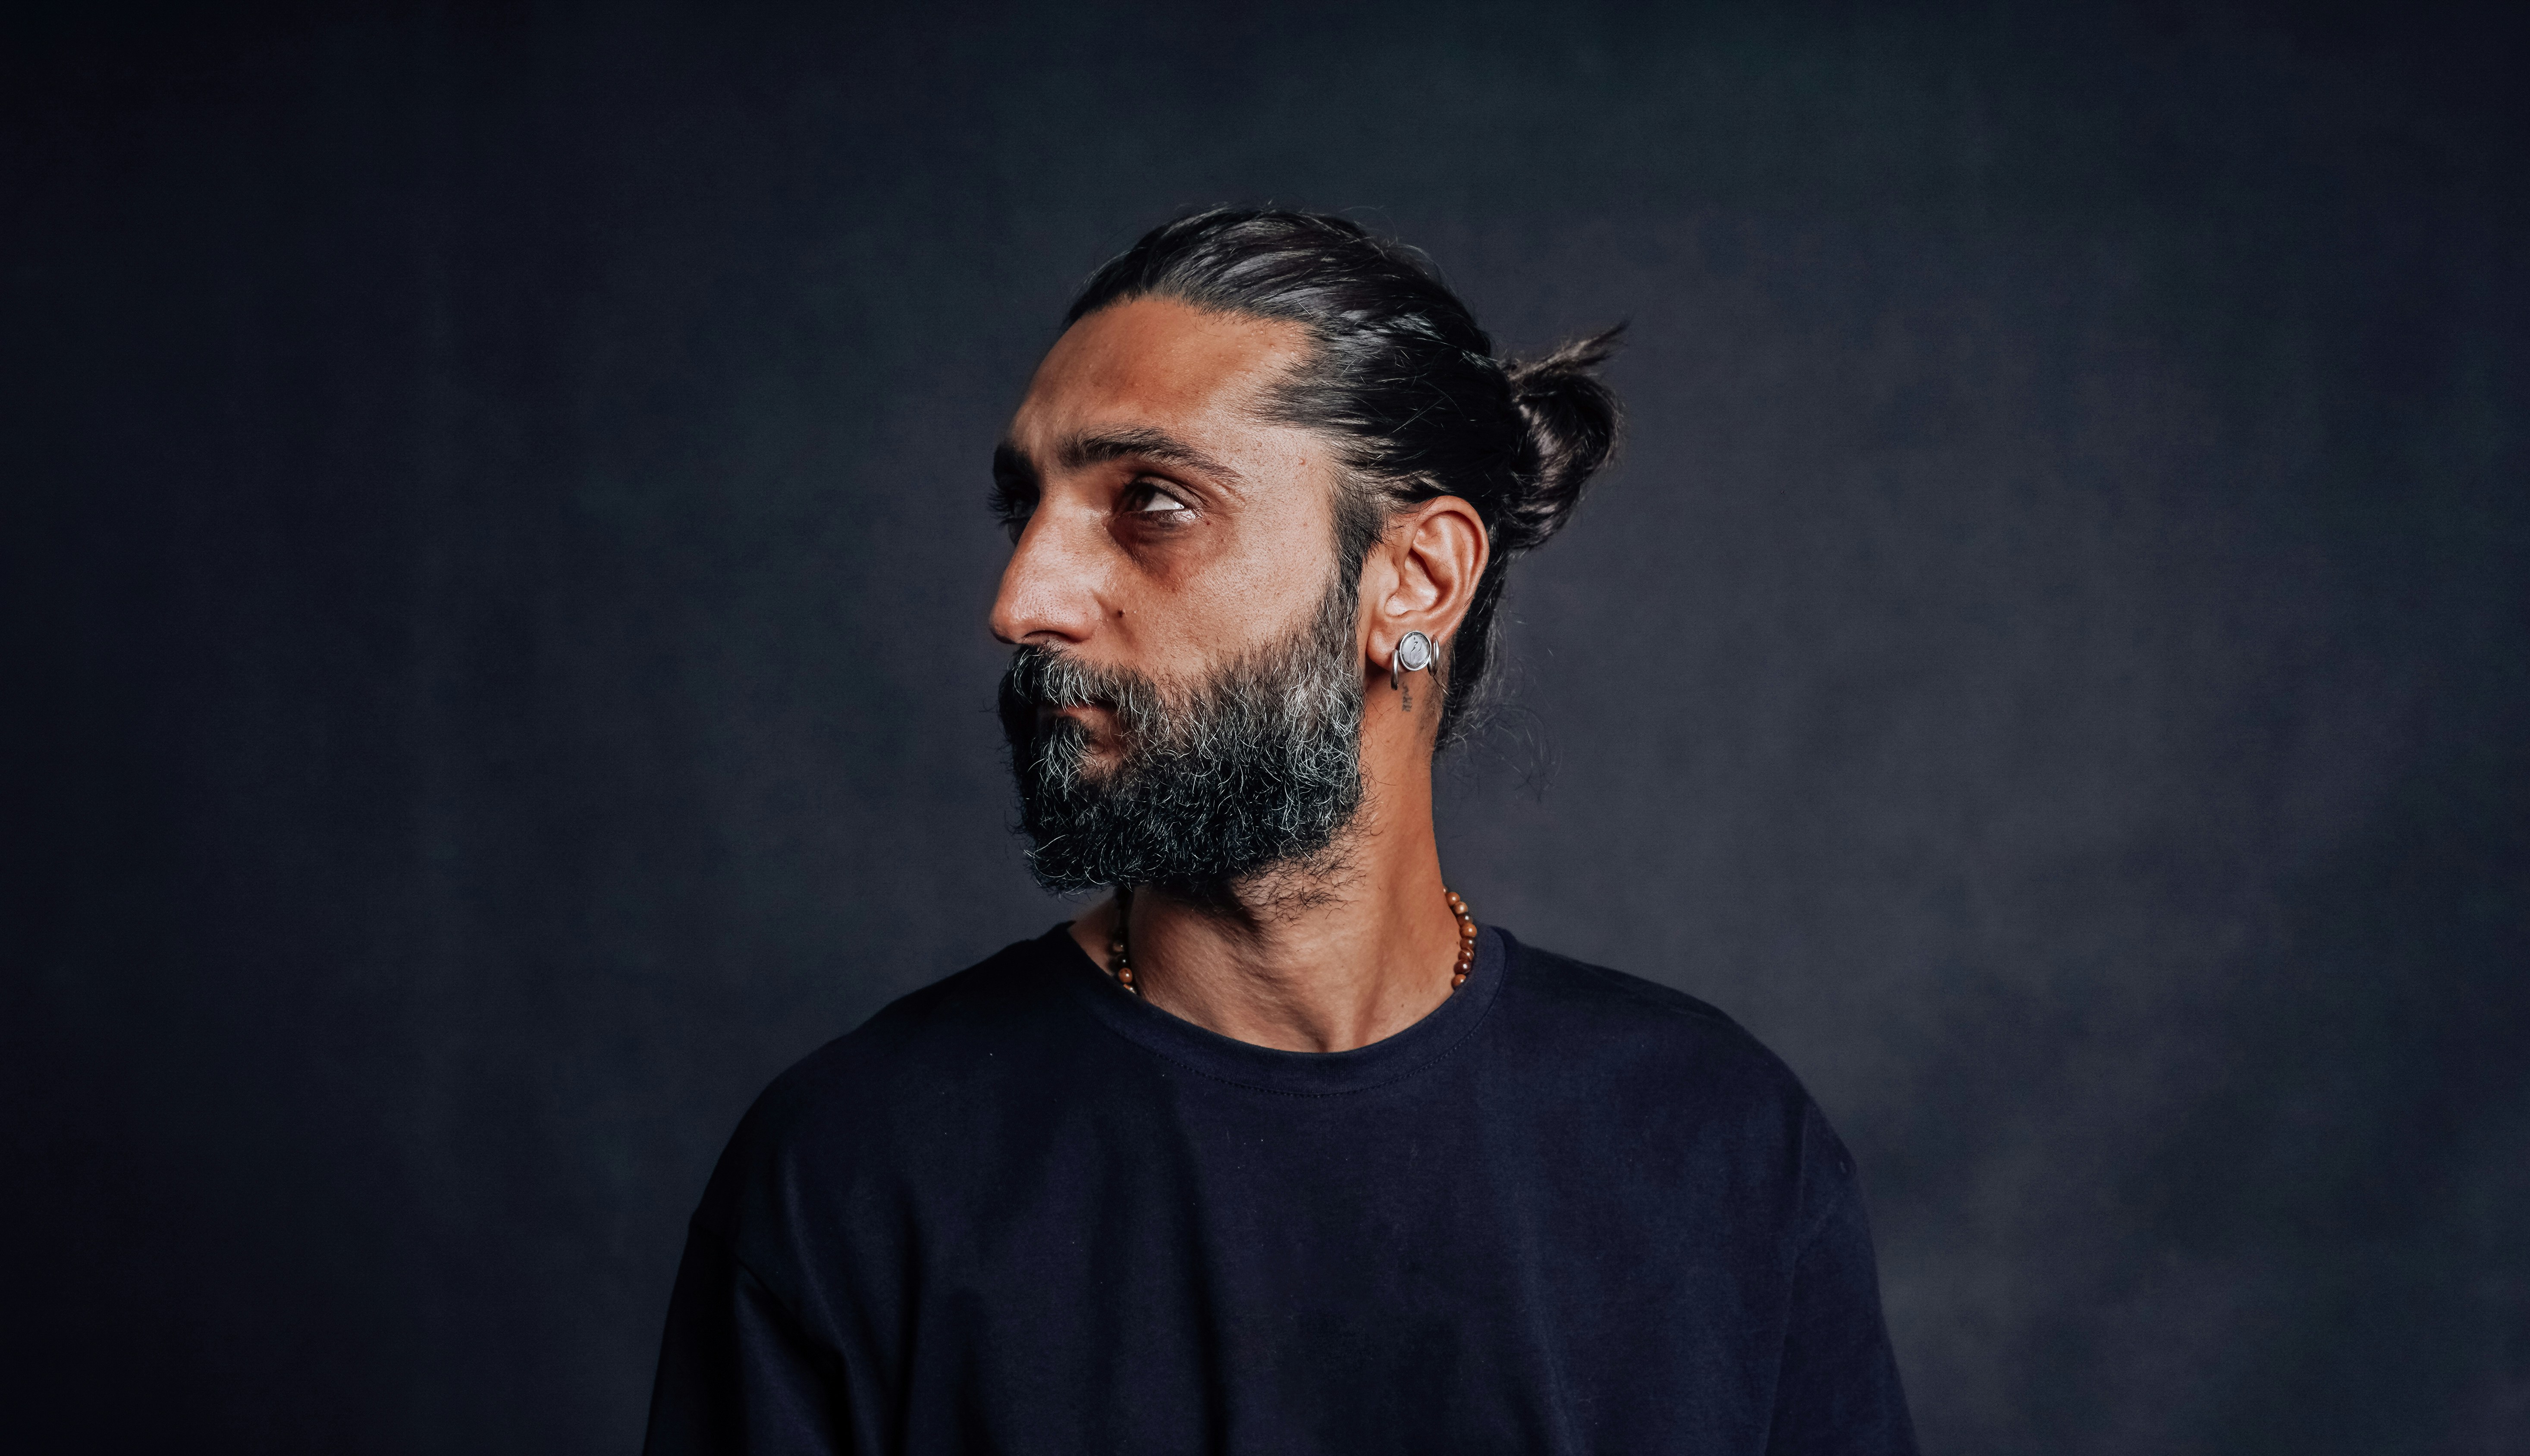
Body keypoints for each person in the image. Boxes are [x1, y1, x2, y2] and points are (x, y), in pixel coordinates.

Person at [644, 209, 1918, 1454]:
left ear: (1415, 579)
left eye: (1153, 501)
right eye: (1023, 509)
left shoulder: (1718, 1147)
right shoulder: (855, 1174)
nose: (1023, 599)